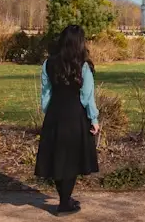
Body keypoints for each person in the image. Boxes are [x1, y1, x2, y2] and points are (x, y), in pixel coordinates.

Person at [34, 25, 100, 216]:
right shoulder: (84, 65)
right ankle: (64, 203)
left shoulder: (48, 64)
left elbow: (45, 94)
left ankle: (65, 199)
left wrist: (50, 113)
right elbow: (87, 96)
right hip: (75, 116)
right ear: (80, 43)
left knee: (57, 158)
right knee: (71, 160)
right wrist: (93, 118)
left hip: (55, 114)